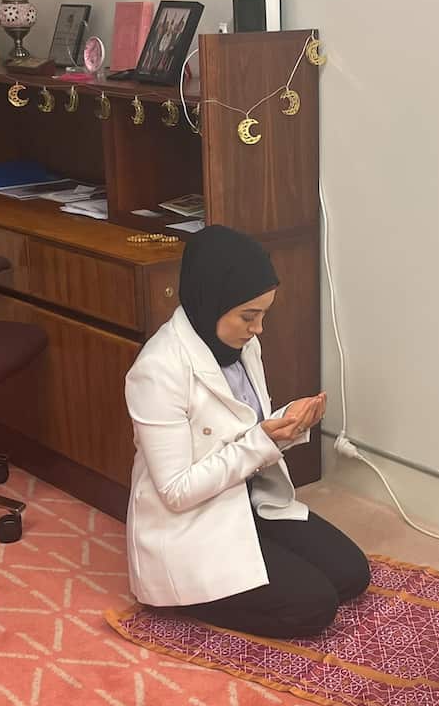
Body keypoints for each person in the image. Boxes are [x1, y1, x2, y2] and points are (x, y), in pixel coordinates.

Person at [124, 226, 370, 638]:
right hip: (191, 521)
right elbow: (177, 491)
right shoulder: (158, 370)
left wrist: (289, 424)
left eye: (263, 315)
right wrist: (265, 440)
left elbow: (244, 428)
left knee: (351, 574)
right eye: (248, 316)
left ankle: (254, 560)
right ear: (211, 299)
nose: (258, 330)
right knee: (314, 607)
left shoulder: (240, 346)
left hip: (247, 498)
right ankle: (187, 597)